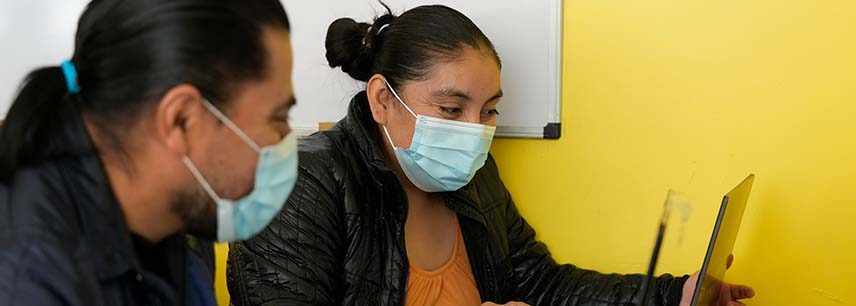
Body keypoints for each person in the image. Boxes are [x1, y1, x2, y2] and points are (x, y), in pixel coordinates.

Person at [226, 3, 755, 306]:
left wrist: (674, 296)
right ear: (384, 99)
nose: (476, 133)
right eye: (453, 109)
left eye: (489, 111)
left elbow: (541, 283)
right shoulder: (299, 185)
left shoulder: (472, 176)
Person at [0, 0, 298, 305]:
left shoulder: (162, 229)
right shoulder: (29, 282)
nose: (287, 140)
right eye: (278, 118)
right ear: (181, 120)